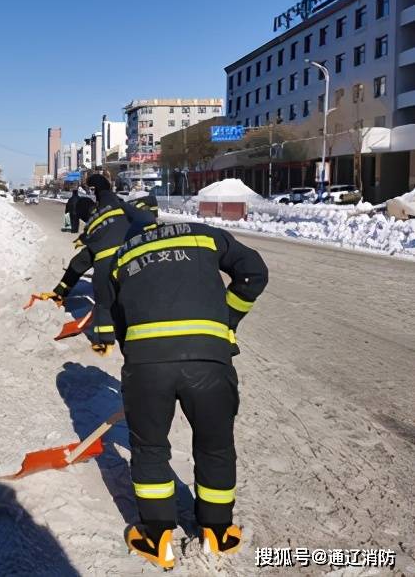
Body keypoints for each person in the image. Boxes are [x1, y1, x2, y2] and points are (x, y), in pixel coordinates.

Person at [110, 221, 268, 569]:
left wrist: (141, 361)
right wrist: (226, 320)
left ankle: (157, 538)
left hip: (146, 365)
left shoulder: (122, 256)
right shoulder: (203, 234)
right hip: (209, 360)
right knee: (216, 444)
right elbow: (254, 272)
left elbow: (117, 319)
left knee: (150, 449)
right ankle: (218, 533)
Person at [36, 174, 153, 351]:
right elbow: (105, 192)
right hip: (132, 258)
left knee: (103, 304)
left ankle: (105, 341)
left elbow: (78, 265)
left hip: (105, 270)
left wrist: (59, 292)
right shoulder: (111, 204)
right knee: (137, 294)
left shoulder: (91, 229)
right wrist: (97, 183)